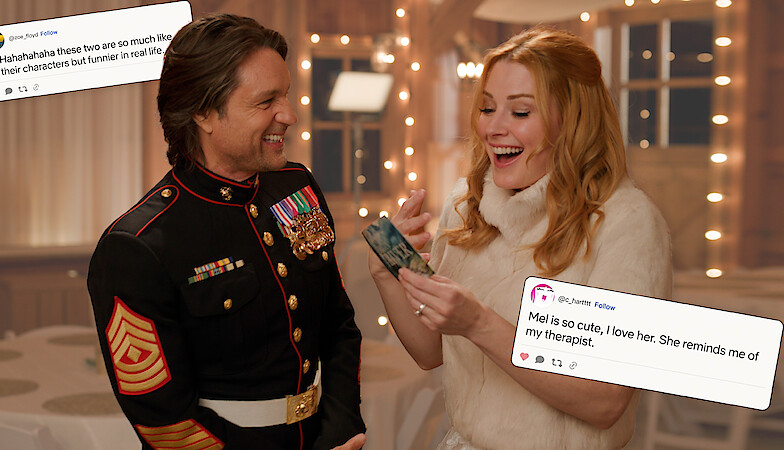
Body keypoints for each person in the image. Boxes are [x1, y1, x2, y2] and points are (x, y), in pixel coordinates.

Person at [369, 26, 672, 449]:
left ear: (573, 120)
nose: (493, 127)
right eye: (487, 108)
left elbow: (605, 402)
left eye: (521, 112)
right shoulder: (466, 203)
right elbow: (430, 352)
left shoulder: (627, 222)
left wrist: (480, 324)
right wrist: (391, 271)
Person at [88, 14, 365, 450]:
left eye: (286, 95)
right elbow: (166, 421)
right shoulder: (138, 246)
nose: (289, 115)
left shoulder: (297, 186)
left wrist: (341, 429)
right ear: (203, 112)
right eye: (265, 101)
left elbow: (339, 326)